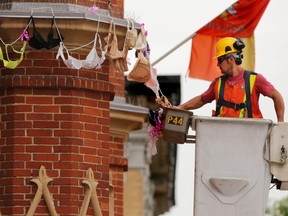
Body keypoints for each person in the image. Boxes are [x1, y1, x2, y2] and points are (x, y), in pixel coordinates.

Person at [178, 37, 285, 122]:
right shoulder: (218, 83)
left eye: (220, 60)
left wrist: (280, 123)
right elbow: (202, 99)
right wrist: (181, 107)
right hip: (224, 137)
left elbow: (276, 96)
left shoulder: (255, 79)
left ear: (231, 59)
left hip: (250, 137)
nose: (218, 64)